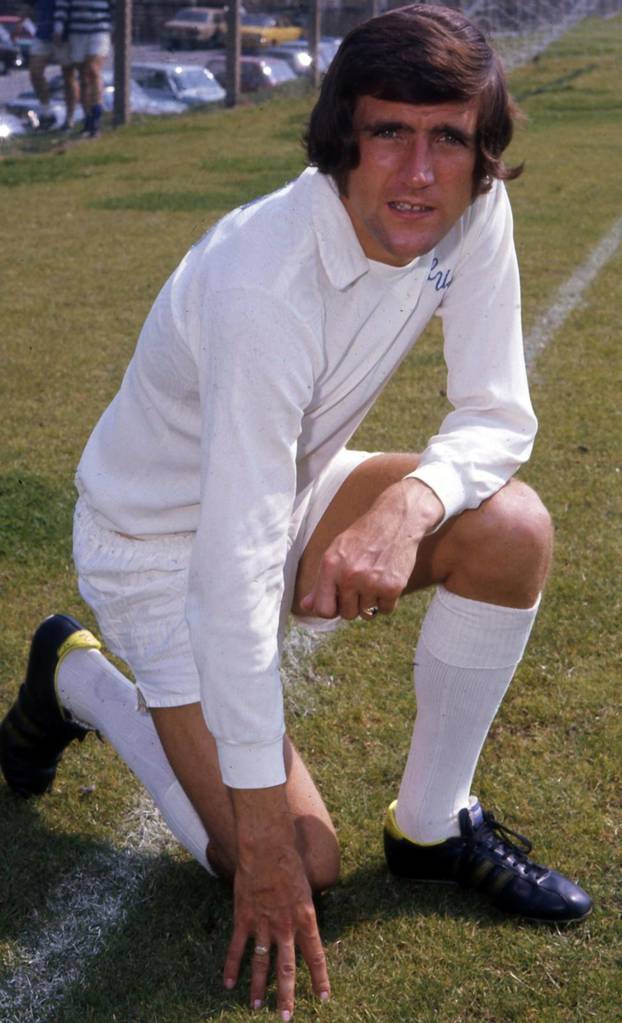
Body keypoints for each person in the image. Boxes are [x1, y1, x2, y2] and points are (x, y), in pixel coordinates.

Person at [0, 5, 592, 1019]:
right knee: (297, 860)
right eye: (386, 132)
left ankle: (432, 823)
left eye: (447, 137)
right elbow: (229, 570)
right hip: (160, 547)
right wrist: (263, 845)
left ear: (479, 151)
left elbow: (496, 412)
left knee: (511, 528)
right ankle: (82, 680)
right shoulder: (260, 285)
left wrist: (408, 503)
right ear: (338, 138)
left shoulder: (471, 209)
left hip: (288, 481)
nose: (418, 172)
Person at [53, 0, 112, 138]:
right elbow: (62, 8)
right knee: (84, 78)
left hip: (99, 30)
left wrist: (114, 27)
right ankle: (88, 119)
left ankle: (97, 113)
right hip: (77, 33)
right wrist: (58, 29)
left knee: (93, 70)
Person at [28, 0, 78, 131]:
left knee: (68, 76)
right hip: (42, 32)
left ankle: (69, 119)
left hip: (66, 34)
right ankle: (47, 113)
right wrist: (20, 23)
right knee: (35, 72)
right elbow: (29, 4)